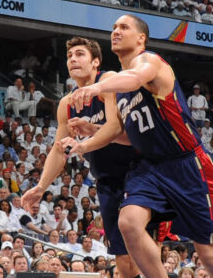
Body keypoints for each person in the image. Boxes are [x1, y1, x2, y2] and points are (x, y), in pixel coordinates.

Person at [67, 15, 213, 278]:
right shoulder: (121, 90)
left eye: (124, 27)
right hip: (151, 169)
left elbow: (134, 78)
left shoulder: (150, 62)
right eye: (113, 28)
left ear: (141, 38)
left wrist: (96, 86)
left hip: (188, 163)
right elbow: (129, 136)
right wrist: (92, 132)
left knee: (208, 251)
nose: (116, 32)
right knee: (129, 222)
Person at [20, 38, 141, 278]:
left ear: (96, 62)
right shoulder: (66, 103)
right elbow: (58, 149)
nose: (73, 59)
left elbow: (115, 129)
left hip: (139, 172)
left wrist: (81, 144)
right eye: (69, 56)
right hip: (106, 180)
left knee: (139, 243)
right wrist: (41, 186)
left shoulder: (108, 81)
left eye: (80, 54)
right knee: (123, 260)